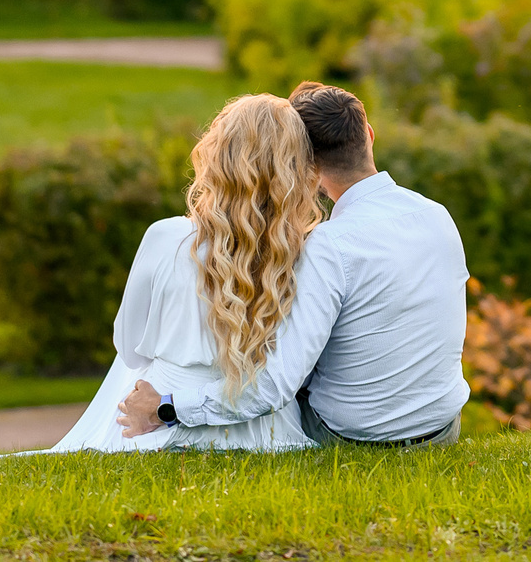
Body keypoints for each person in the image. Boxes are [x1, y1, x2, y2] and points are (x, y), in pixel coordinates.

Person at [118, 81, 469, 448]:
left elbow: (274, 387)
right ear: (369, 134)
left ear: (305, 166)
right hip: (443, 427)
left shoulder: (329, 246)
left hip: (359, 440)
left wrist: (167, 406)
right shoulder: (436, 215)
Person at [27, 92, 325, 454]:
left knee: (138, 365)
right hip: (269, 427)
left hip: (162, 413)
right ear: (297, 170)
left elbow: (129, 349)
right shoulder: (309, 251)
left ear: (216, 156)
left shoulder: (166, 237)